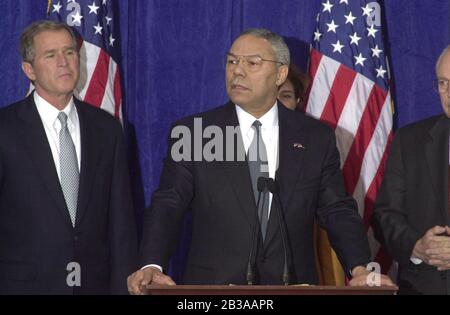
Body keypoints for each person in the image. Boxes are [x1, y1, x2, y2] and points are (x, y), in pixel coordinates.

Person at [128, 28, 393, 293]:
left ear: (280, 74)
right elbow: (168, 202)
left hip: (292, 286)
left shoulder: (315, 137)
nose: (238, 71)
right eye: (232, 61)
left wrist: (360, 268)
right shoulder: (196, 133)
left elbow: (336, 210)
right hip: (216, 292)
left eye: (252, 63)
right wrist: (152, 264)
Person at [0, 20, 137, 294]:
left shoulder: (107, 128)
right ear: (29, 69)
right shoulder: (5, 129)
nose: (64, 62)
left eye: (70, 52)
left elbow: (121, 221)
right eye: (51, 55)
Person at [373, 45, 450, 295]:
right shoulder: (411, 140)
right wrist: (417, 246)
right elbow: (386, 214)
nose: (448, 93)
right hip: (423, 288)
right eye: (443, 83)